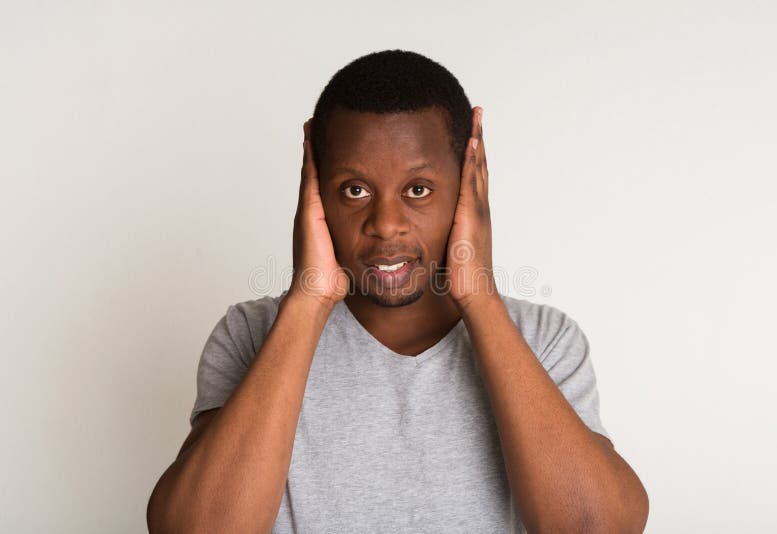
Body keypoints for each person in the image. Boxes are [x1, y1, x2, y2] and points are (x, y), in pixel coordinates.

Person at [147, 49, 648, 533]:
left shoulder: (545, 339)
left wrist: (480, 296)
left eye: (418, 189)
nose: (386, 225)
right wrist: (308, 300)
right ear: (314, 186)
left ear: (470, 184)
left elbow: (594, 527)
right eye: (355, 190)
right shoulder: (251, 333)